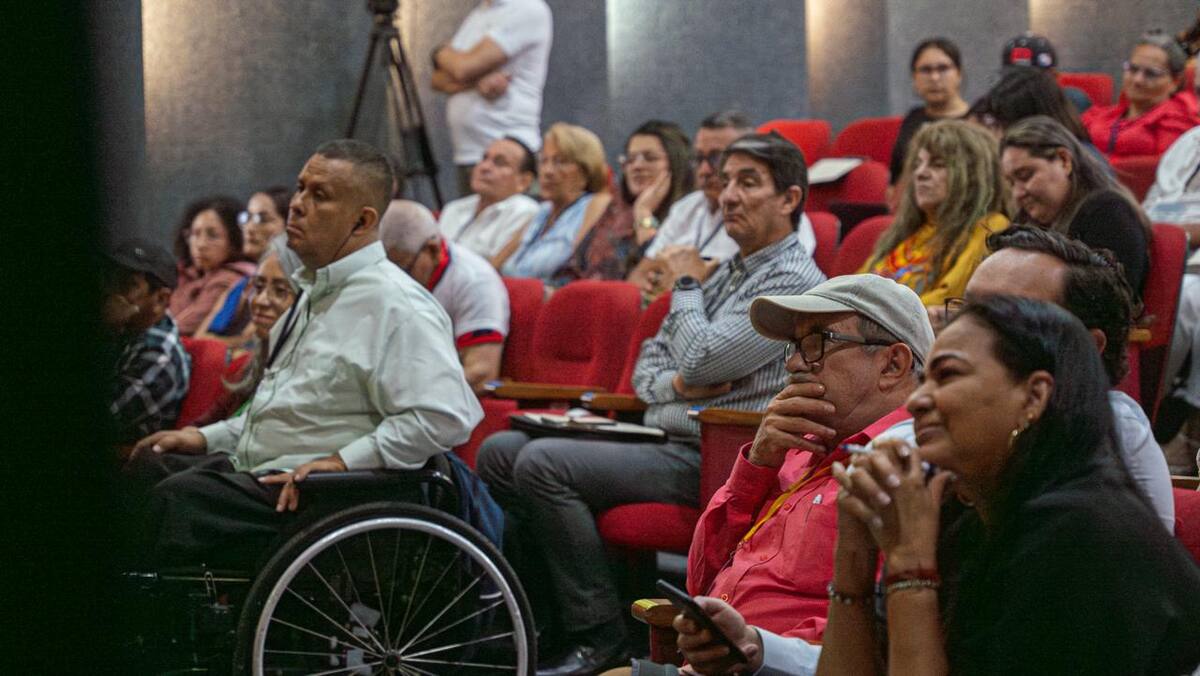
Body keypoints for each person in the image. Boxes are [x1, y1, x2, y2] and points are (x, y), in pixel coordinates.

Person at [477, 132, 825, 676]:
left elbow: (703, 359)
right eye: (726, 180)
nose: (728, 194)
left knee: (542, 464)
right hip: (668, 434)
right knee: (500, 451)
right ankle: (541, 620)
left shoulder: (792, 279)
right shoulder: (730, 271)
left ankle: (600, 636)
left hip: (716, 456)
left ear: (790, 199)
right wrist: (679, 389)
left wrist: (684, 285)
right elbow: (650, 366)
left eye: (748, 182)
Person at [124, 139, 483, 568]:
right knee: (146, 465)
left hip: (327, 495)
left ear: (362, 220)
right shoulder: (314, 294)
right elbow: (285, 415)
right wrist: (203, 437)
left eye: (319, 196)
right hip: (267, 470)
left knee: (174, 501)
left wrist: (343, 461)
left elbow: (443, 418)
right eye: (300, 188)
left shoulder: (398, 305)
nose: (297, 205)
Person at [818, 295, 1200, 675]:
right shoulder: (956, 510)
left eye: (948, 375)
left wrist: (910, 567)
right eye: (923, 381)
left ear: (1034, 396)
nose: (917, 401)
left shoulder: (1083, 536)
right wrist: (853, 558)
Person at [619, 275, 932, 676]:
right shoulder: (798, 444)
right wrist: (758, 463)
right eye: (796, 346)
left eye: (819, 342)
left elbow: (880, 632)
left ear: (893, 364)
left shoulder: (908, 466)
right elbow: (701, 581)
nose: (794, 362)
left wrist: (753, 646)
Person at [962, 225, 1174, 532]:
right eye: (969, 309)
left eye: (1006, 317)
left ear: (1087, 346)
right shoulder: (944, 410)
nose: (967, 331)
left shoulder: (1108, 433)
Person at [633, 111, 817, 297]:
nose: (704, 170)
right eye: (699, 159)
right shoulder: (686, 207)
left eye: (716, 158)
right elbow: (641, 276)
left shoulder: (781, 224)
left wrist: (687, 283)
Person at [861, 120, 1009, 305]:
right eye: (918, 164)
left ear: (972, 175)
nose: (920, 173)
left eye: (937, 165)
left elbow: (948, 299)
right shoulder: (904, 233)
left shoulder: (989, 227)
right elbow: (852, 289)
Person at [1000, 115, 1151, 291]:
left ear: (1064, 161)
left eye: (1025, 176)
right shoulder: (1027, 222)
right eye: (1011, 183)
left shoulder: (1107, 212)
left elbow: (1108, 303)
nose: (1018, 193)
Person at [380, 199, 509, 393]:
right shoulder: (389, 272)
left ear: (432, 250)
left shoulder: (476, 281)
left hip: (433, 400)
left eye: (403, 271)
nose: (393, 281)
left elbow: (481, 373)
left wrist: (405, 395)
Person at [550, 119, 692, 285]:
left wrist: (643, 213)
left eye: (650, 158)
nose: (637, 166)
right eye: (630, 159)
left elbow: (658, 274)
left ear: (676, 164)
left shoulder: (689, 215)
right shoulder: (614, 212)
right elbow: (574, 268)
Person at [432, 0, 552, 194]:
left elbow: (463, 68)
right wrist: (475, 80)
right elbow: (436, 80)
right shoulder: (478, 13)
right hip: (468, 155)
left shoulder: (527, 9)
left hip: (508, 159)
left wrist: (440, 53)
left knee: (511, 222)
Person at [191, 236, 301, 427]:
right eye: (258, 287)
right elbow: (204, 426)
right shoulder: (252, 365)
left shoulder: (303, 375)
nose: (261, 301)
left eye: (280, 291)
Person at [104, 237, 191, 447]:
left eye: (129, 285)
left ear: (161, 300)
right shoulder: (125, 329)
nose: (113, 292)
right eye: (112, 279)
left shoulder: (158, 354)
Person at [497, 122, 612, 281]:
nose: (548, 171)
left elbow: (574, 270)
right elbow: (494, 265)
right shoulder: (542, 212)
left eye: (561, 162)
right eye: (544, 161)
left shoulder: (595, 204)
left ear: (586, 170)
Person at [194, 186, 291, 346]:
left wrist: (219, 344)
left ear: (289, 225)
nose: (250, 228)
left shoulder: (293, 285)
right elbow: (199, 339)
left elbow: (254, 343)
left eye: (262, 219)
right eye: (247, 218)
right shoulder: (241, 284)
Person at [1082, 30, 1200, 160]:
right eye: (1133, 69)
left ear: (1175, 81)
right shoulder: (1102, 115)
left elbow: (1163, 169)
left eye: (1151, 73)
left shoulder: (1180, 117)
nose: (1138, 80)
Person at [888, 38, 969, 200]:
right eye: (925, 70)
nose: (934, 77)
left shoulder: (975, 121)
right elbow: (895, 178)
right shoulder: (913, 119)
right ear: (914, 78)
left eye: (943, 68)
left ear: (959, 74)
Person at [437, 136, 539, 263]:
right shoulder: (454, 208)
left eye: (500, 163)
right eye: (484, 158)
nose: (485, 167)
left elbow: (495, 270)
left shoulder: (524, 211)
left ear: (524, 181)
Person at [168, 195, 256, 336]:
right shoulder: (187, 274)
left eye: (213, 235)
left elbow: (179, 328)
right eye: (195, 234)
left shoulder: (229, 278)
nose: (201, 244)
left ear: (234, 241)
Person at [1000, 32, 1093, 114]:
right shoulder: (997, 103)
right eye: (1014, 78)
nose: (1024, 87)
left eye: (1032, 79)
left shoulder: (1073, 101)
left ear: (1054, 75)